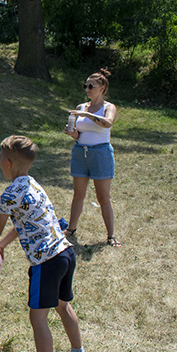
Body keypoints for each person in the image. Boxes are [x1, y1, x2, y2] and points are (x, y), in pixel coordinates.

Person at [0, 135, 89, 352]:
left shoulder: (10, 193)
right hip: (65, 254)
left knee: (38, 319)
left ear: (9, 163)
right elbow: (25, 222)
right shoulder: (33, 184)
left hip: (45, 262)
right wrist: (0, 247)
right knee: (62, 305)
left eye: (1, 159)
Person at [64, 68, 120, 247]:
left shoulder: (108, 107)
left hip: (101, 154)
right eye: (85, 86)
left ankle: (111, 236)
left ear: (102, 88)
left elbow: (107, 123)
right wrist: (72, 133)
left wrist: (86, 115)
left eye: (91, 86)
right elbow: (79, 135)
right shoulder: (81, 107)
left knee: (103, 197)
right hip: (81, 152)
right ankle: (71, 229)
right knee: (78, 195)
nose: (87, 89)